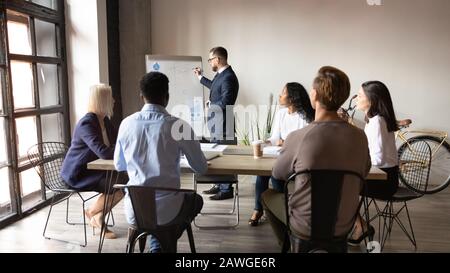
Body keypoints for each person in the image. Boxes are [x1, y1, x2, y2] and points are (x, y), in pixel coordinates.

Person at [261, 66, 371, 251]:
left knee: (267, 195)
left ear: (314, 95)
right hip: (343, 224)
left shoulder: (298, 137)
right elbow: (364, 171)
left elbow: (278, 174)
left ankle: (289, 246)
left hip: (305, 226)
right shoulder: (360, 137)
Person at [114, 71, 207, 253]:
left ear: (142, 97)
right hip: (168, 212)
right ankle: (161, 241)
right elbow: (201, 167)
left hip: (135, 210)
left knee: (154, 219)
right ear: (167, 97)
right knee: (196, 200)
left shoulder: (126, 124)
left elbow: (119, 165)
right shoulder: (178, 126)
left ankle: (157, 242)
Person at [61, 84, 124, 239]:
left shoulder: (105, 121)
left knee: (123, 182)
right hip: (78, 174)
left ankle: (97, 216)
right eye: (111, 98)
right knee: (119, 184)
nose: (114, 100)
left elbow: (119, 143)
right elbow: (103, 152)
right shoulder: (87, 123)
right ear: (103, 101)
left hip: (94, 170)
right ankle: (92, 213)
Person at [249, 82, 315, 226]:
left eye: (283, 93)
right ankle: (258, 209)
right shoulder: (281, 114)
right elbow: (275, 138)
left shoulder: (305, 116)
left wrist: (284, 142)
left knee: (275, 175)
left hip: (297, 158)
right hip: (280, 155)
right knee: (261, 173)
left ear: (292, 97)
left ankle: (282, 209)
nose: (280, 95)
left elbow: (305, 142)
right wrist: (265, 142)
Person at [348, 81, 399, 245]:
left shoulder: (377, 122)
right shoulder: (376, 120)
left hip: (384, 181)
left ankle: (359, 225)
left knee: (339, 187)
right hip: (386, 177)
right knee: (341, 185)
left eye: (360, 96)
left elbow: (377, 159)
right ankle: (357, 225)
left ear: (372, 100)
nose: (356, 99)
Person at [193, 46, 239, 200]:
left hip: (224, 123)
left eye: (210, 59)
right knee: (217, 153)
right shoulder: (222, 75)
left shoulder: (228, 77)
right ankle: (220, 184)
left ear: (218, 60)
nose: (209, 62)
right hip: (217, 122)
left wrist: (210, 105)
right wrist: (200, 78)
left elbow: (227, 101)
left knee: (223, 155)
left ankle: (226, 190)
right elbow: (214, 87)